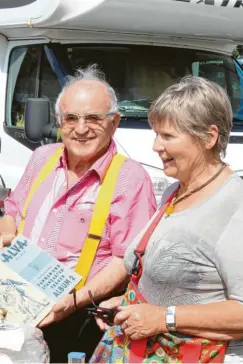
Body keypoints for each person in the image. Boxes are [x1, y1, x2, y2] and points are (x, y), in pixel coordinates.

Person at [0, 65, 157, 362]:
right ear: (60, 121)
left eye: (93, 118)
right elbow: (11, 213)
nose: (81, 129)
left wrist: (74, 300)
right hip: (18, 303)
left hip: (80, 316)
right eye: (71, 118)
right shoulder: (42, 158)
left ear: (115, 122)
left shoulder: (130, 178)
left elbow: (126, 261)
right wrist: (6, 233)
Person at [90, 76, 243, 363]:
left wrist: (164, 318)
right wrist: (127, 306)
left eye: (168, 136)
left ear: (209, 137)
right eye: (156, 133)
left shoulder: (236, 206)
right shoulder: (176, 191)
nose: (156, 146)